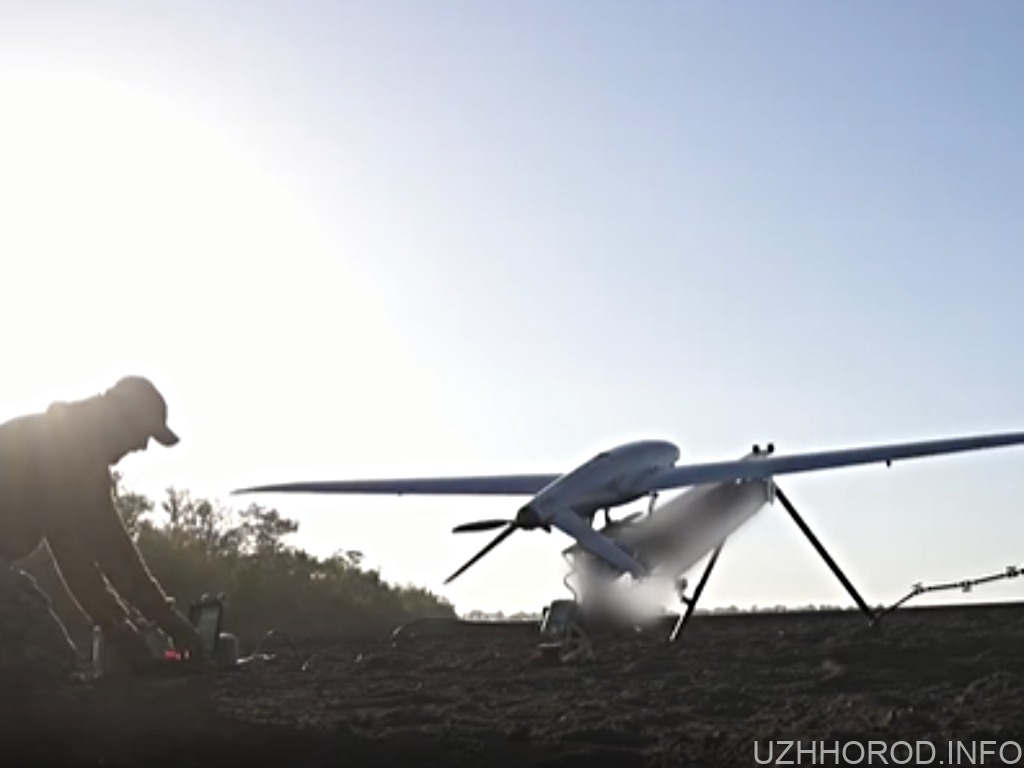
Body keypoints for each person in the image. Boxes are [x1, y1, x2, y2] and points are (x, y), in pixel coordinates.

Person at [0, 375, 202, 683]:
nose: (142, 446)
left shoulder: (69, 444)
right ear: (119, 418)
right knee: (46, 660)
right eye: (142, 433)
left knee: (49, 658)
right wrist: (164, 622)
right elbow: (100, 554)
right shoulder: (65, 451)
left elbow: (89, 554)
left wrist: (118, 624)